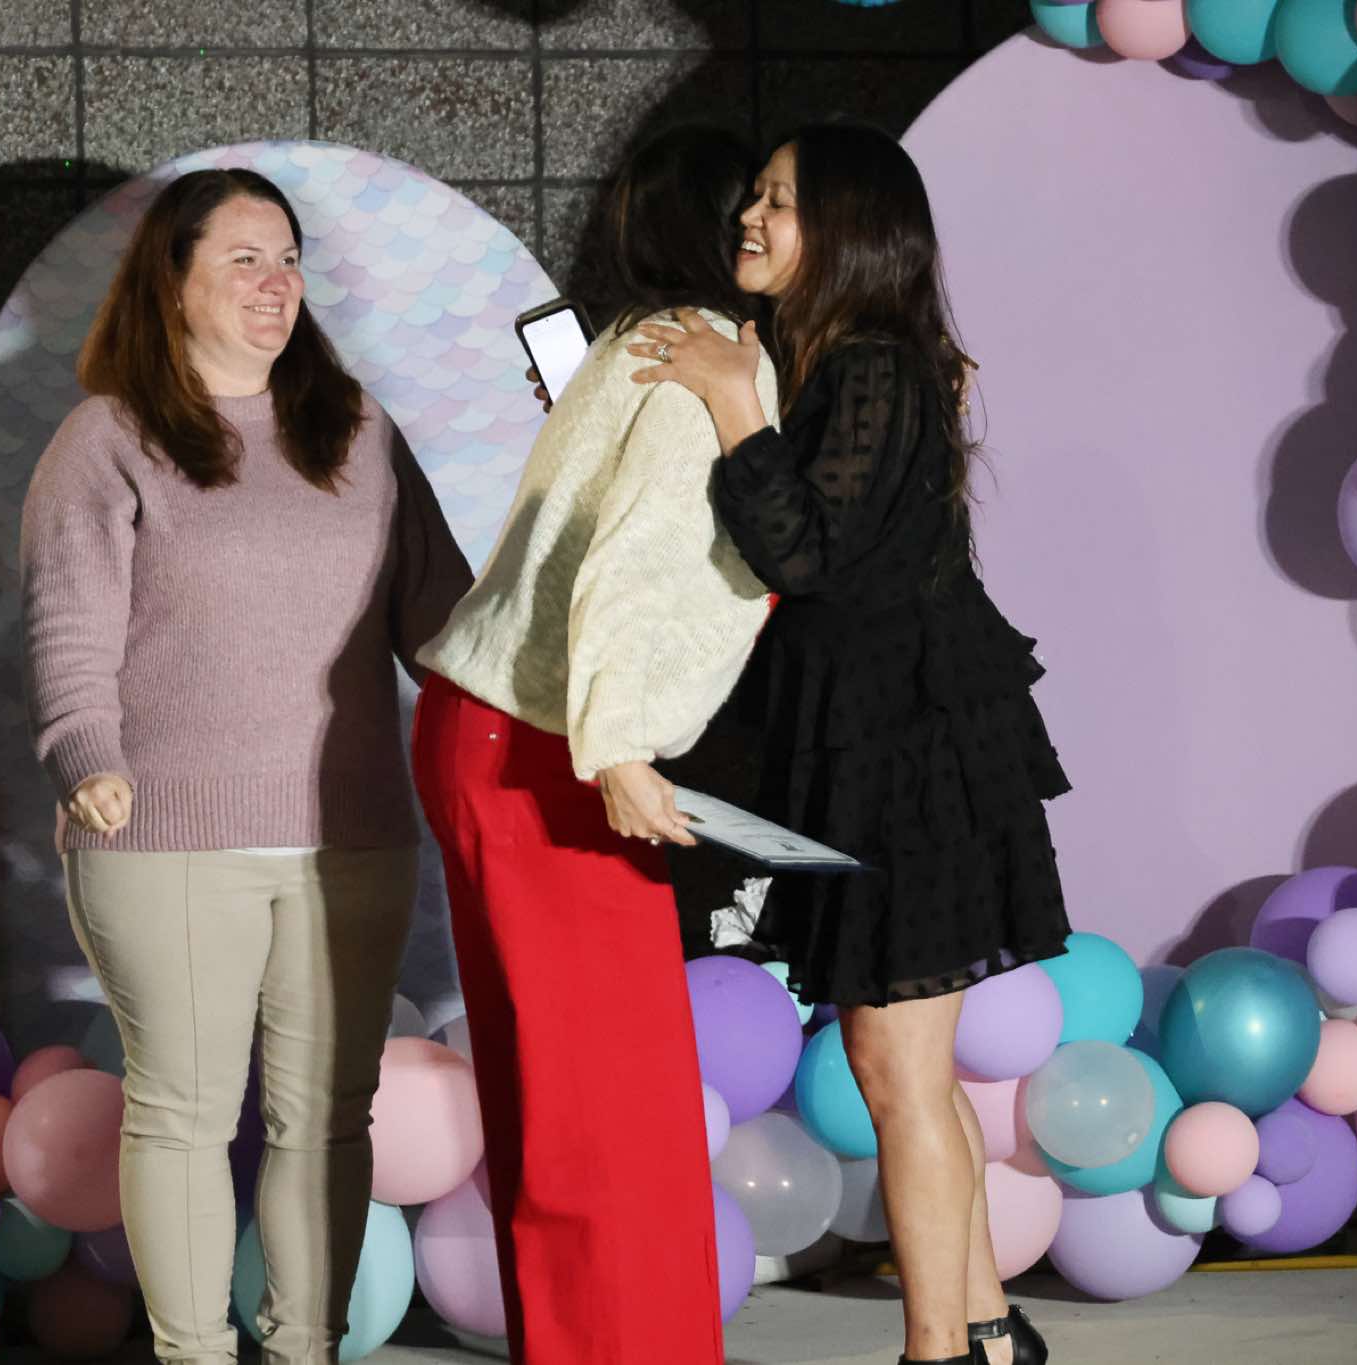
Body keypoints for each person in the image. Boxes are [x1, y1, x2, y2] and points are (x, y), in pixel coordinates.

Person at [627, 122, 1071, 1365]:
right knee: (903, 1063)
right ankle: (984, 1330)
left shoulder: (869, 365)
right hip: (878, 740)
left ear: (849, 230)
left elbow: (801, 551)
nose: (750, 218)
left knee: (891, 1059)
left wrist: (728, 399)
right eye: (754, 196)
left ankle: (941, 1348)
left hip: (912, 748)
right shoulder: (834, 360)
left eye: (779, 201)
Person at [19, 168, 471, 1365]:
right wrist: (83, 752)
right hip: (166, 836)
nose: (276, 285)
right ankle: (195, 1355)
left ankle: (304, 1346)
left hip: (350, 835)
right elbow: (66, 628)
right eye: (243, 260)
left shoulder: (357, 430)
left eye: (288, 260)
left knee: (327, 1119)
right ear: (171, 283)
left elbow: (443, 620)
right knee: (181, 1113)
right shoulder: (108, 438)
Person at [409, 124, 782, 1365]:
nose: (774, 223)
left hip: (487, 725)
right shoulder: (702, 354)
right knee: (607, 1112)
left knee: (553, 1101)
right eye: (762, 200)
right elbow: (636, 561)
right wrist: (619, 743)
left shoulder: (632, 339)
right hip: (555, 742)